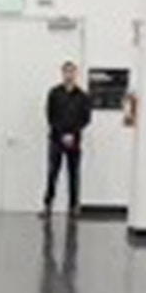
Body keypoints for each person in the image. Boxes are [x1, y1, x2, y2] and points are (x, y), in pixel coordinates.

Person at [45, 61, 92, 217]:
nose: (69, 75)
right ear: (62, 73)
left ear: (76, 74)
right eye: (66, 71)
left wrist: (72, 133)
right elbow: (50, 116)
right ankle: (48, 205)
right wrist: (62, 134)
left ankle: (73, 206)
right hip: (56, 140)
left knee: (74, 174)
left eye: (72, 72)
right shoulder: (54, 93)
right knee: (52, 173)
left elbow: (86, 118)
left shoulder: (83, 96)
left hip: (75, 141)